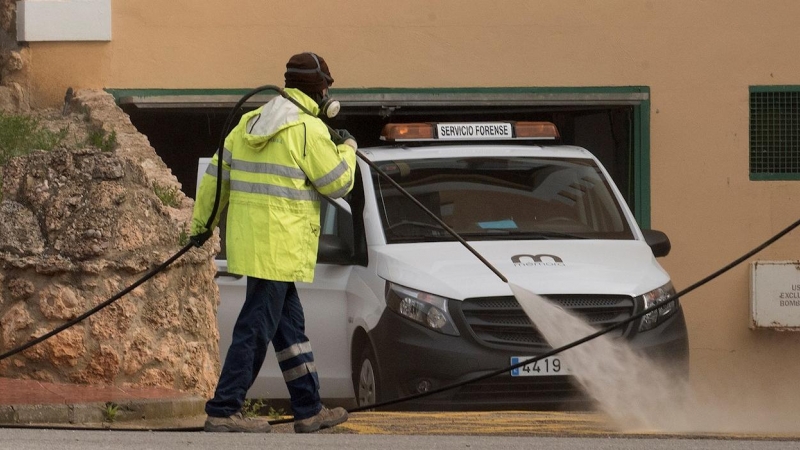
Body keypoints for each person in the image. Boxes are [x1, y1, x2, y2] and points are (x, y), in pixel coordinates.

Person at [190, 52, 357, 433]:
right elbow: (338, 183)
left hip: (254, 246)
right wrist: (346, 149)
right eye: (327, 87)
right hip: (282, 247)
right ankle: (224, 409)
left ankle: (308, 408)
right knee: (255, 329)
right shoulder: (308, 130)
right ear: (319, 90)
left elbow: (217, 178)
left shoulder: (250, 122)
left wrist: (202, 226)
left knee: (290, 330)